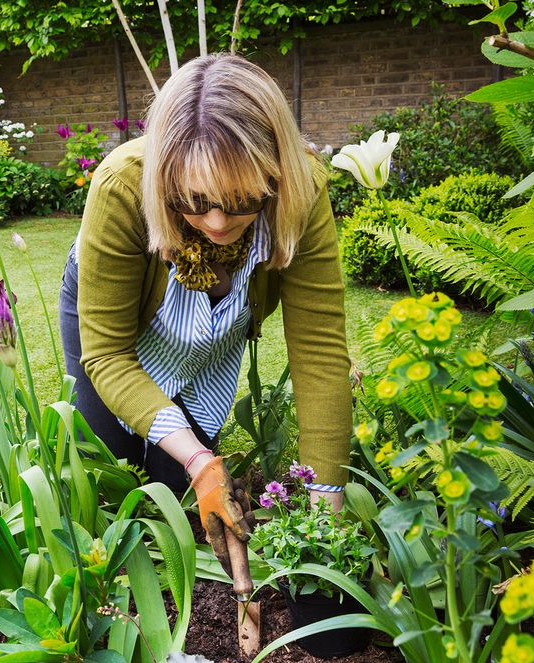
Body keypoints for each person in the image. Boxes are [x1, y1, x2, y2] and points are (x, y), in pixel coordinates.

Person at [58, 53, 353, 572]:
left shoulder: (302, 192)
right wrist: (199, 458)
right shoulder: (121, 188)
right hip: (117, 321)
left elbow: (320, 353)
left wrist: (325, 509)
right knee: (109, 477)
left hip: (214, 330)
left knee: (170, 492)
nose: (216, 222)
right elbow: (106, 354)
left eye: (242, 199)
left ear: (274, 173)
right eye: (193, 199)